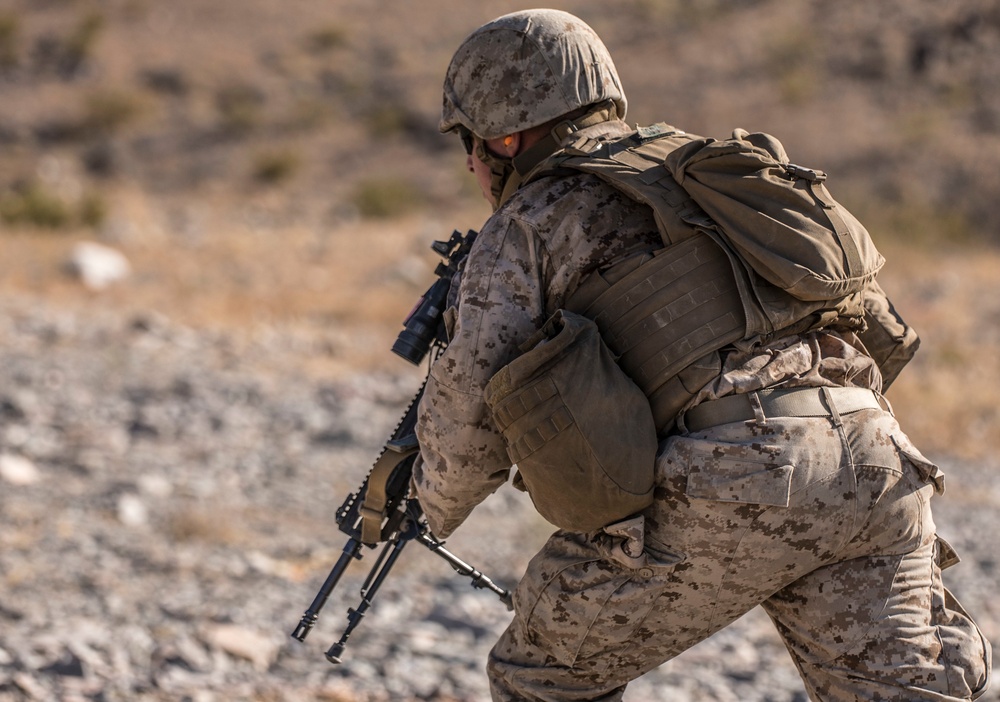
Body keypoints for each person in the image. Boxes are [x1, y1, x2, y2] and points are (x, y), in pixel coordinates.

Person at [411, 8, 992, 701]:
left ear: (504, 137)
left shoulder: (531, 220)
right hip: (873, 460)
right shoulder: (708, 174)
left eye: (470, 147)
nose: (473, 166)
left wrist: (420, 507)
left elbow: (469, 418)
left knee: (541, 678)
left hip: (730, 471)